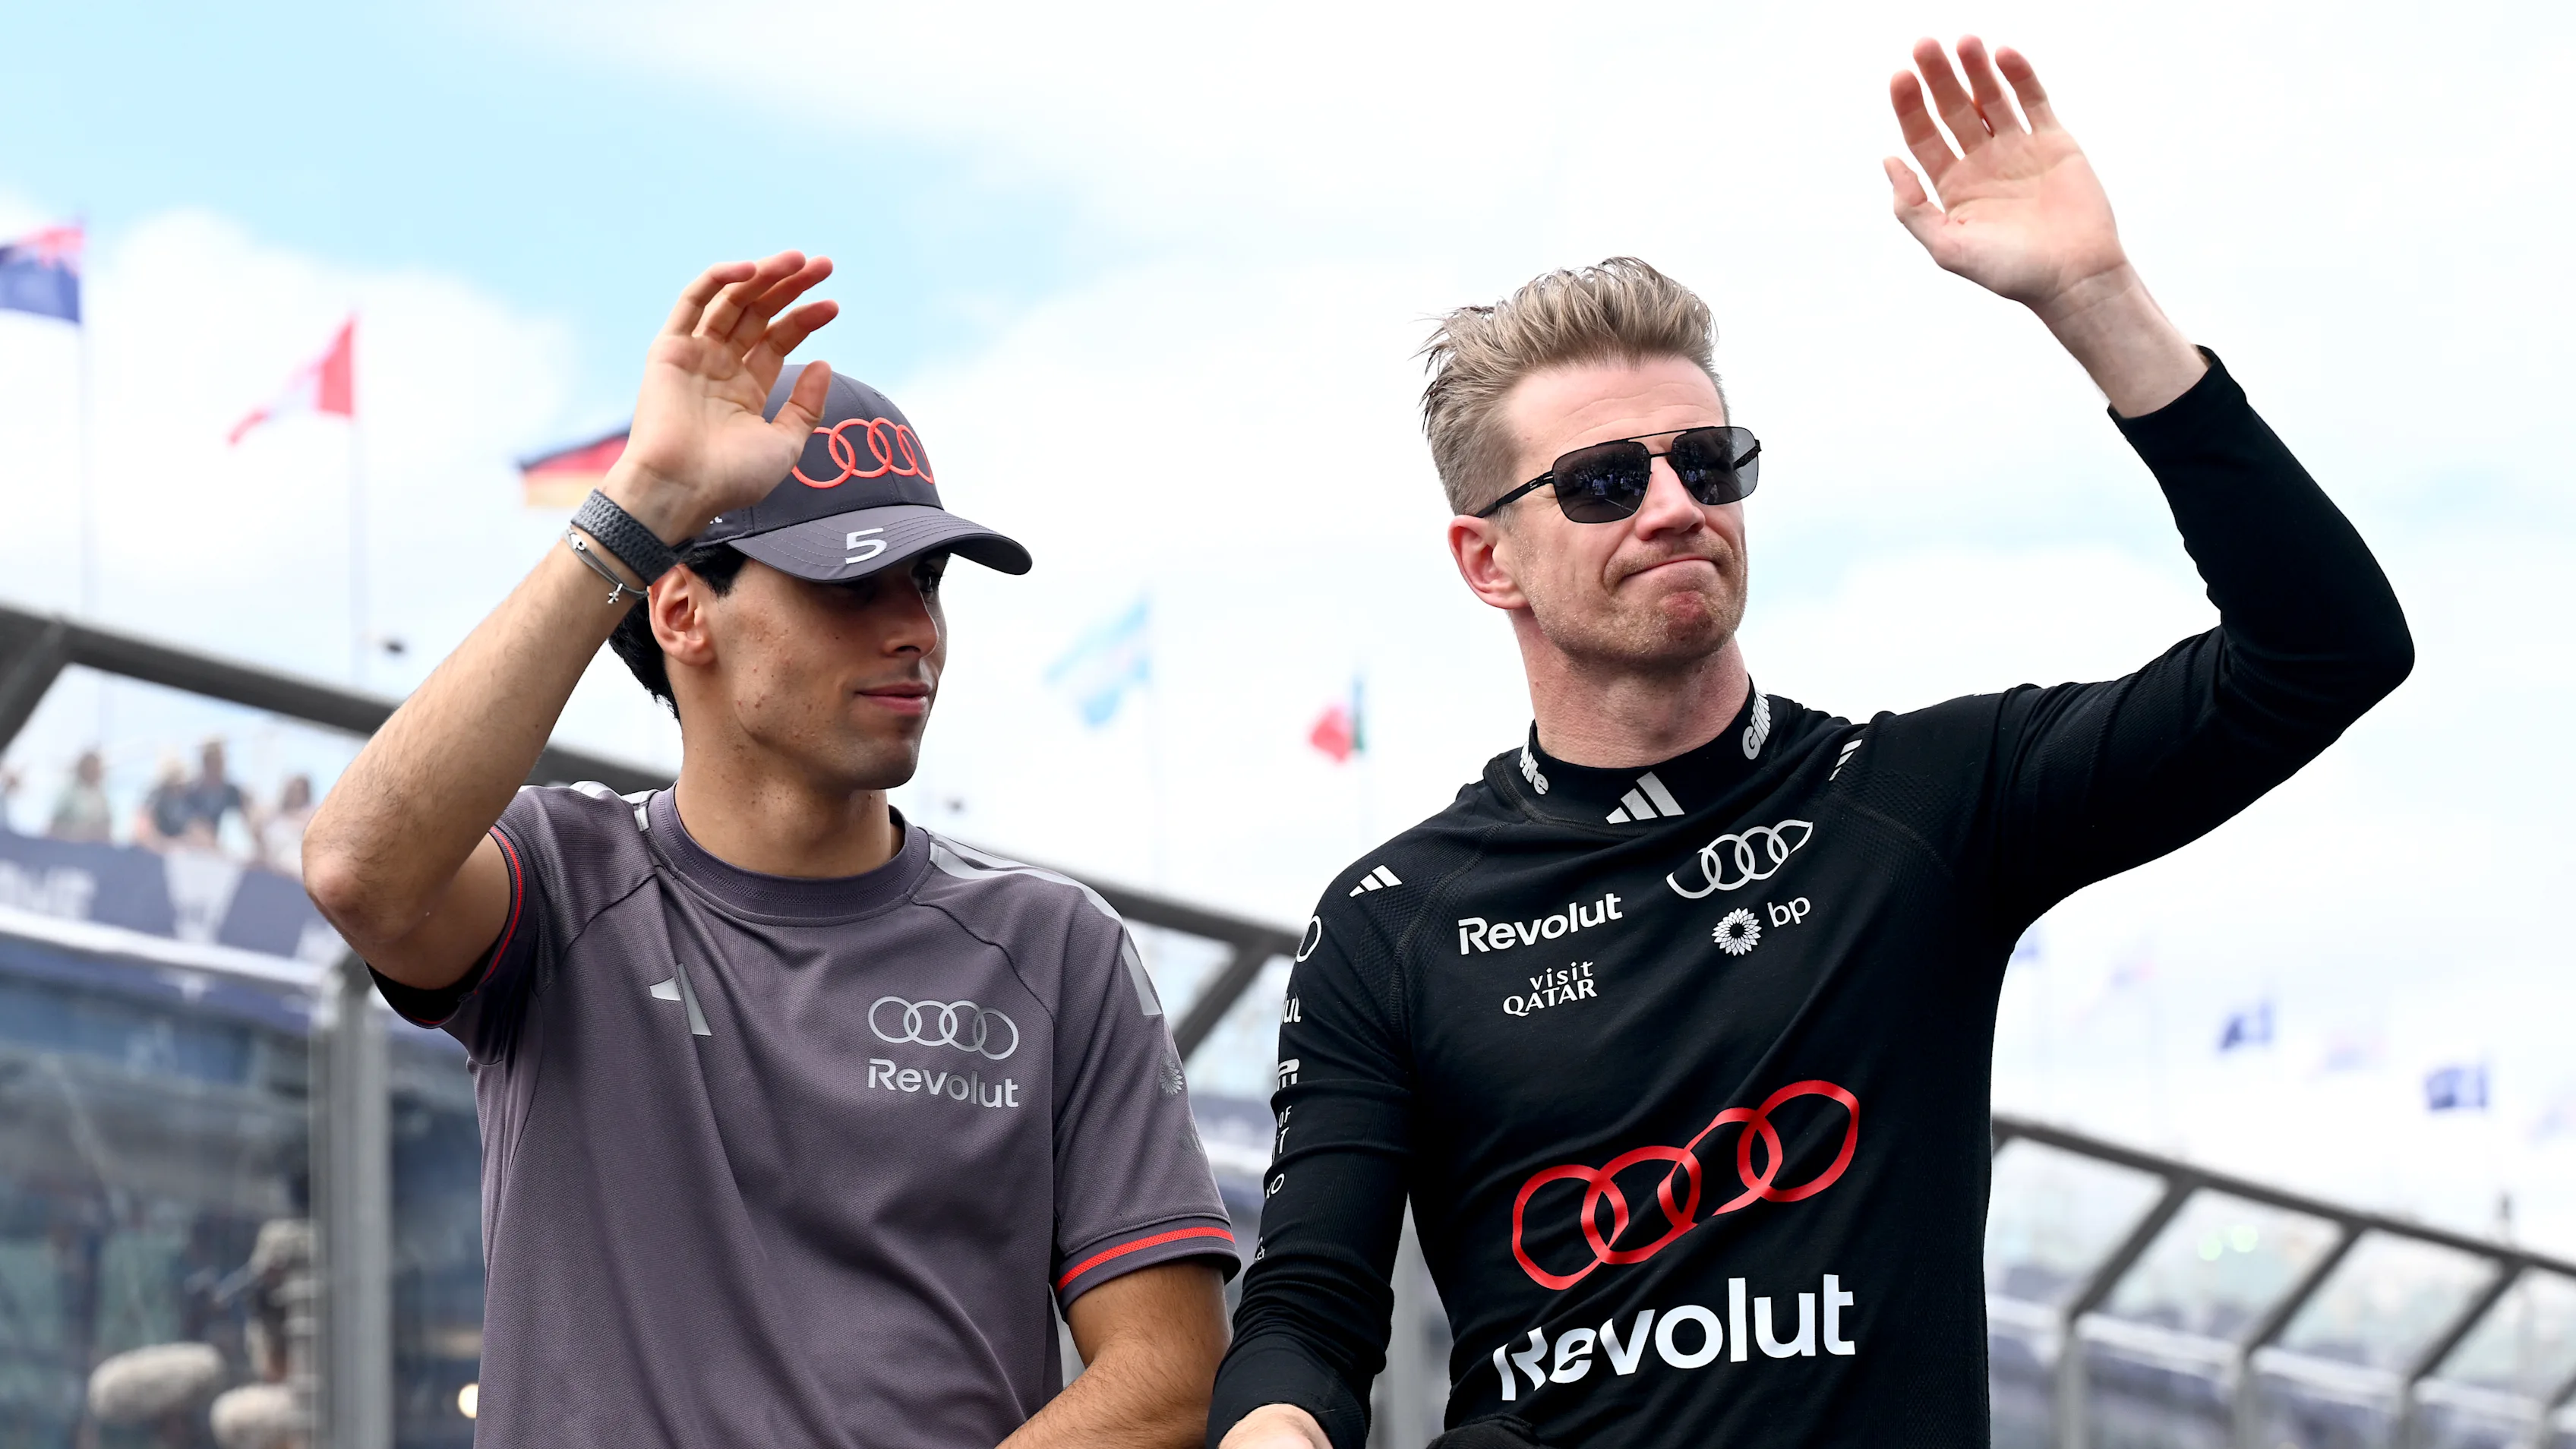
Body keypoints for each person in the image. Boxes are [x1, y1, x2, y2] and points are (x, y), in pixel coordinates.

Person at [1211, 37, 2410, 1449]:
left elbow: (2325, 649)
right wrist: (1275, 1428)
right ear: (1489, 560)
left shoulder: (1922, 798)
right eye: (1603, 482)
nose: (1671, 505)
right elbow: (1307, 1309)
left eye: (1704, 463)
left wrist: (2096, 304)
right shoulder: (1388, 918)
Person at [302, 251, 1238, 1448]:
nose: (916, 630)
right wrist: (637, 506)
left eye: (928, 581)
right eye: (852, 587)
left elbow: (1170, 1375)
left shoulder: (1053, 948)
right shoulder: (561, 881)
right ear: (682, 611)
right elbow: (356, 869)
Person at [46, 750, 113, 843]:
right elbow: (54, 826)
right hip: (69, 848)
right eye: (92, 767)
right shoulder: (69, 794)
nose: (96, 771)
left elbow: (107, 827)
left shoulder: (101, 799)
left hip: (94, 851)